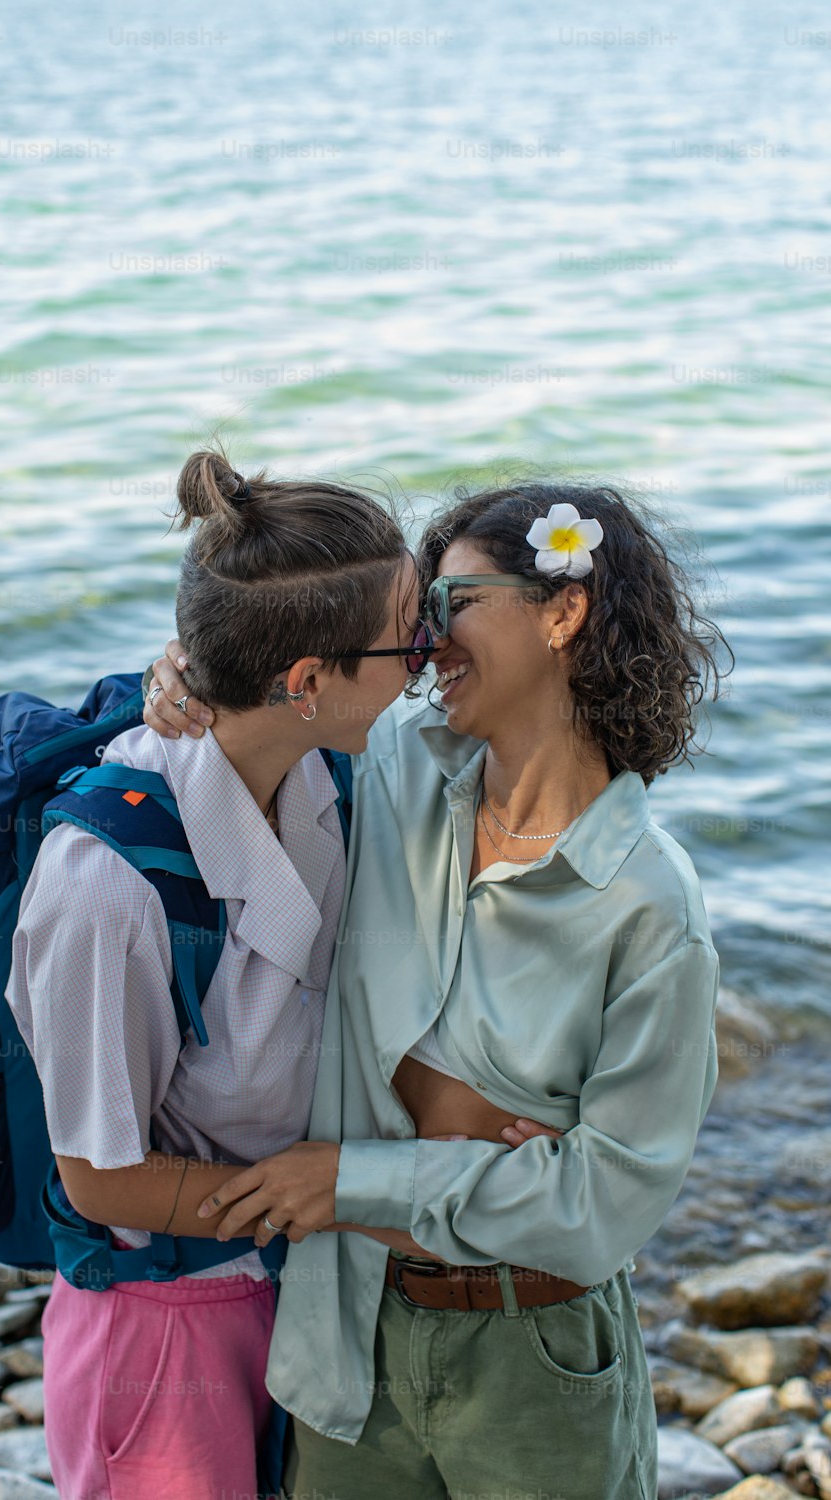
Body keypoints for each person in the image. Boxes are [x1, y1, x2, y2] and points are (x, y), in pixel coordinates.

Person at [143, 479, 730, 1500]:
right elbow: (280, 690)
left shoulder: (648, 904)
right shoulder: (389, 769)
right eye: (417, 620)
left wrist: (349, 1180)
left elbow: (597, 1208)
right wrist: (181, 684)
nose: (421, 648)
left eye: (450, 608)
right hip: (346, 1328)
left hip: (535, 1358)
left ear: (561, 610)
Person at [5, 449, 437, 1500]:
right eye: (408, 640)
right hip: (159, 1326)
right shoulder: (104, 888)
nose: (431, 655)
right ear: (305, 684)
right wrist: (342, 1200)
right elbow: (98, 1179)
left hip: (285, 1281)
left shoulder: (327, 770)